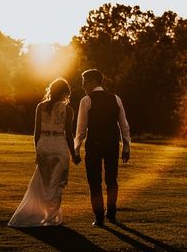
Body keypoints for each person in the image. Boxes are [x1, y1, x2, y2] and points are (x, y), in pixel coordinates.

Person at [8, 78, 79, 227]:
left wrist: (38, 149)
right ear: (65, 93)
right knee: (58, 182)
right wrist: (74, 155)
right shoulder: (68, 110)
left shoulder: (41, 107)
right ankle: (51, 217)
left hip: (44, 145)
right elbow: (68, 135)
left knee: (44, 182)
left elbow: (37, 131)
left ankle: (44, 214)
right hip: (59, 145)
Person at [74, 69, 131, 227]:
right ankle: (111, 214)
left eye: (84, 82)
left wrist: (76, 149)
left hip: (94, 144)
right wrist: (126, 146)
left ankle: (99, 217)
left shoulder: (86, 100)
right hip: (112, 144)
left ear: (92, 82)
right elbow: (124, 125)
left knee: (95, 181)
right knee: (112, 180)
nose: (83, 85)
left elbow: (81, 129)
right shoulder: (116, 99)